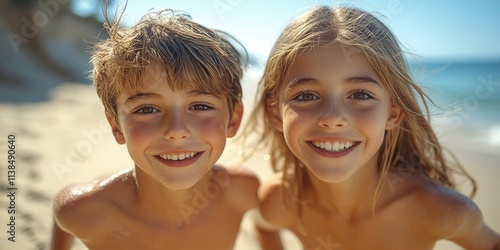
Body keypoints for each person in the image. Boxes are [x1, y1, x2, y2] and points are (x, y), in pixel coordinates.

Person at [242, 5, 500, 249]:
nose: (333, 118)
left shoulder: (440, 211)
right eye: (306, 96)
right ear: (275, 113)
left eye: (361, 95)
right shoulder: (280, 200)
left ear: (393, 114)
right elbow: (264, 226)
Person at [50, 7, 259, 250]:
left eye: (200, 106)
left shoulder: (242, 190)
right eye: (147, 109)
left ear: (233, 120)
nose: (176, 130)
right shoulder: (84, 211)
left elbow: (268, 227)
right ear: (116, 126)